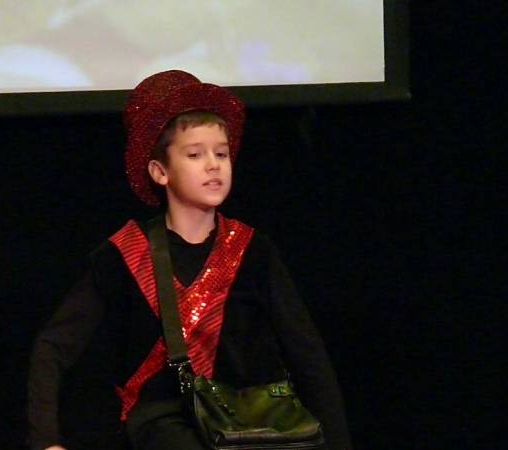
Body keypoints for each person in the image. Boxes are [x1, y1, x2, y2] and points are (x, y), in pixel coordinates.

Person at [28, 70, 353, 450]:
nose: (213, 165)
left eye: (221, 153)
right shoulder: (126, 254)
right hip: (164, 423)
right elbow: (54, 346)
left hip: (251, 422)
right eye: (195, 154)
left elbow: (306, 352)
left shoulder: (253, 250)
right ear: (159, 171)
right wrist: (46, 440)